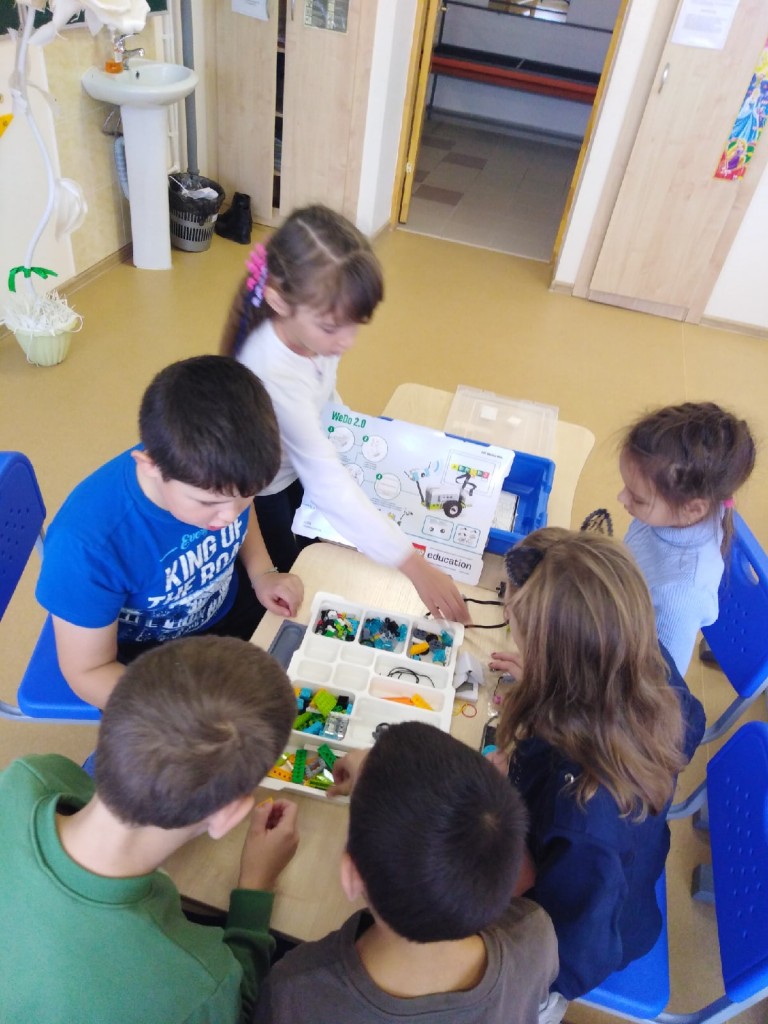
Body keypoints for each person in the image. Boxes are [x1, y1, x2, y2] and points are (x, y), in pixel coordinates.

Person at [0, 635, 300, 1024]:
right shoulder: (197, 983)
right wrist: (256, 885)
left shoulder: (32, 775)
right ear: (229, 815)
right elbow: (238, 1003)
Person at [489, 528, 706, 1011]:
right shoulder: (643, 660)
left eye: (516, 623)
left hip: (573, 945)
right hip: (610, 870)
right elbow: (693, 719)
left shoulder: (581, 812)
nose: (506, 618)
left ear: (562, 662)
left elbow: (575, 956)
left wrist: (509, 822)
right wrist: (548, 677)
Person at [220, 205, 469, 624]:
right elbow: (326, 481)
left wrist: (355, 429)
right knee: (296, 579)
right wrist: (414, 566)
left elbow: (324, 397)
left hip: (294, 470)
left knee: (318, 545)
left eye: (354, 325)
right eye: (333, 327)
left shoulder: (311, 335)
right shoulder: (272, 372)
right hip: (264, 492)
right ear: (279, 301)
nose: (347, 342)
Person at [35, 355, 303, 709]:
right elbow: (89, 671)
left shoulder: (221, 481)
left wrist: (262, 572)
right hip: (151, 660)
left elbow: (237, 505)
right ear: (150, 466)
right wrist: (177, 709)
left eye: (247, 495)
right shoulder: (86, 547)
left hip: (224, 606)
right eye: (208, 503)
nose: (230, 516)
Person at [254, 720, 558, 1024]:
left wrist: (256, 884)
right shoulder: (535, 934)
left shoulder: (294, 991)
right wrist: (374, 774)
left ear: (351, 876)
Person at [618, 401, 755, 675]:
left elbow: (662, 681)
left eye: (637, 498)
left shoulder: (678, 600)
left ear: (692, 509)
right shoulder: (674, 510)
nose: (621, 498)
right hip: (622, 602)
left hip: (625, 658)